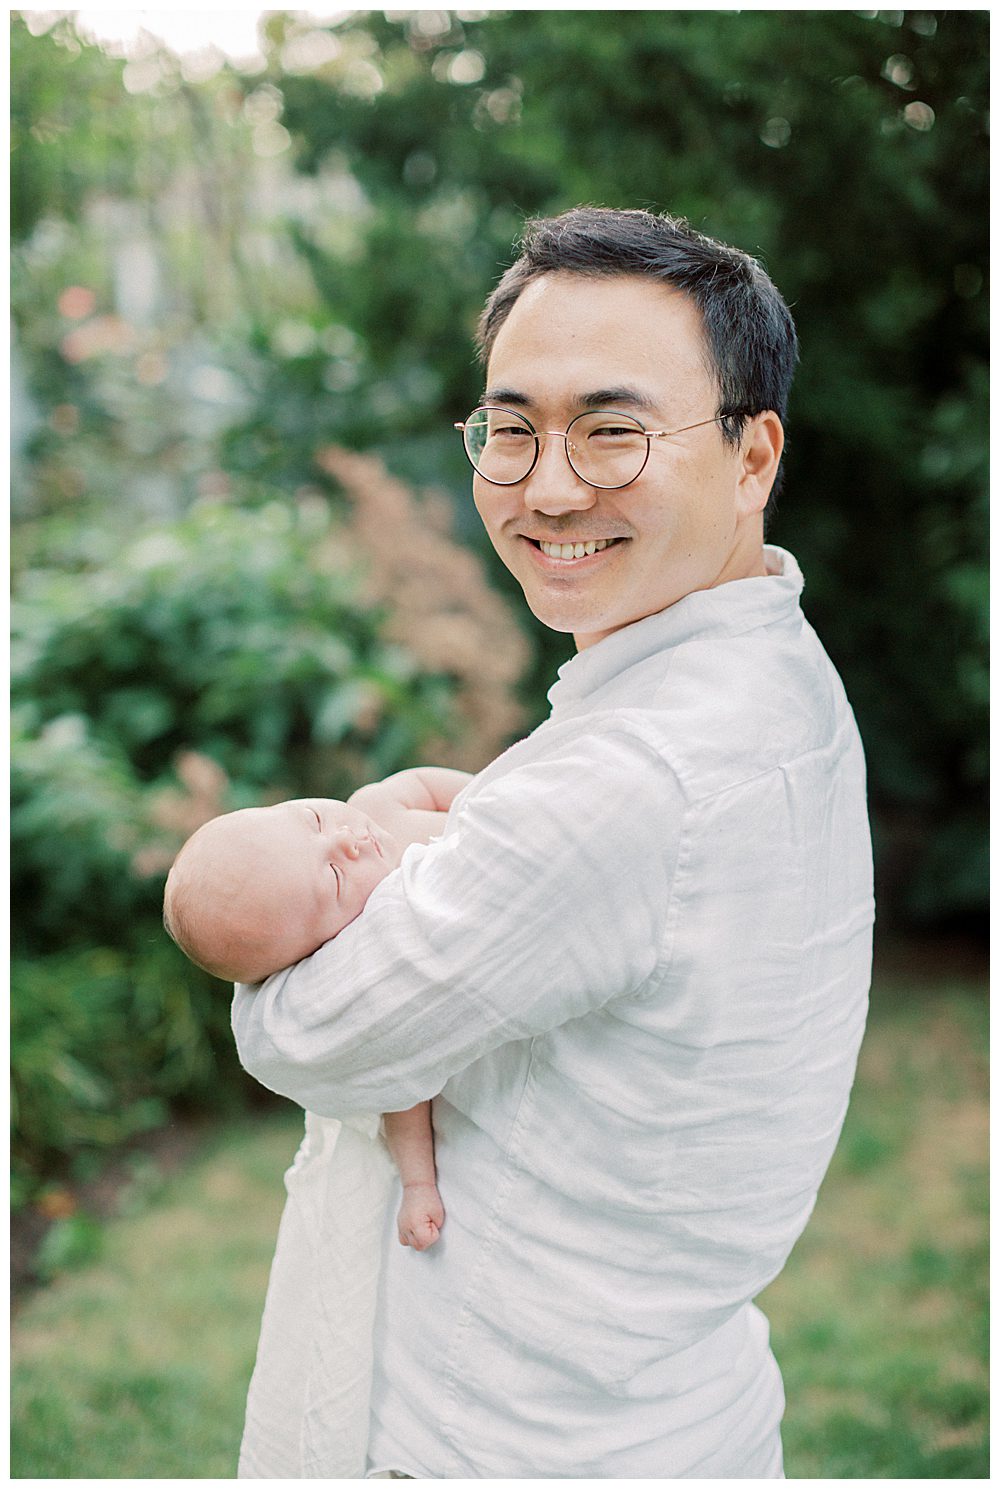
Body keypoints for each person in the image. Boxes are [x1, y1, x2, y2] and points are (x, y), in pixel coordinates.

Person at [232, 207, 875, 1478]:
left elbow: (304, 1031)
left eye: (612, 429)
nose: (548, 486)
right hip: (669, 1400)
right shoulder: (774, 671)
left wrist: (348, 845)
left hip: (504, 1438)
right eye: (511, 428)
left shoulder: (635, 774)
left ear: (753, 456)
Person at [164, 767, 473, 1252]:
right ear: (319, 952)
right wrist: (418, 1185)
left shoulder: (377, 807)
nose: (347, 842)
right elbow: (400, 1081)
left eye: (312, 819)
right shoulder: (370, 954)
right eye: (333, 877)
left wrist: (496, 793)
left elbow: (438, 787)